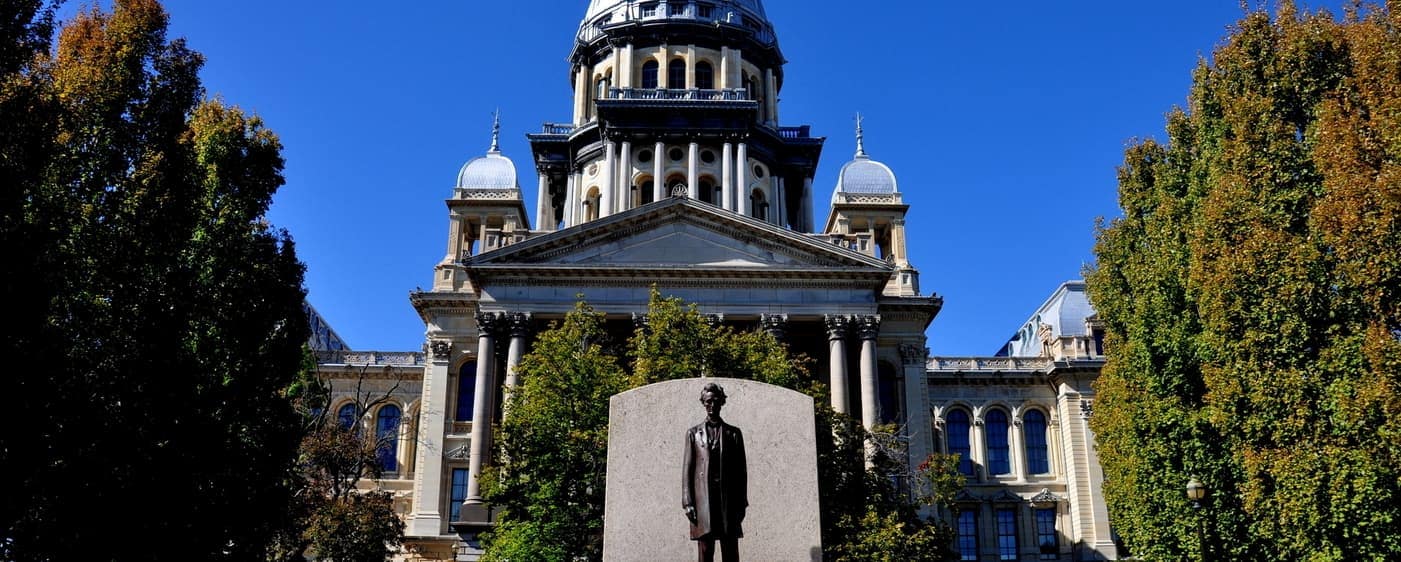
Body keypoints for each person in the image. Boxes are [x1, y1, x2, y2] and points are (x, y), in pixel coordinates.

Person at [682, 383, 748, 562]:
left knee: (730, 551)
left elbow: (741, 472)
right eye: (708, 401)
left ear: (722, 402)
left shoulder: (733, 434)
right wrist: (687, 502)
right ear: (703, 403)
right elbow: (687, 470)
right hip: (703, 500)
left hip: (728, 501)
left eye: (716, 401)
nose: (712, 405)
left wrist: (742, 502)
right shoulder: (693, 434)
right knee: (705, 550)